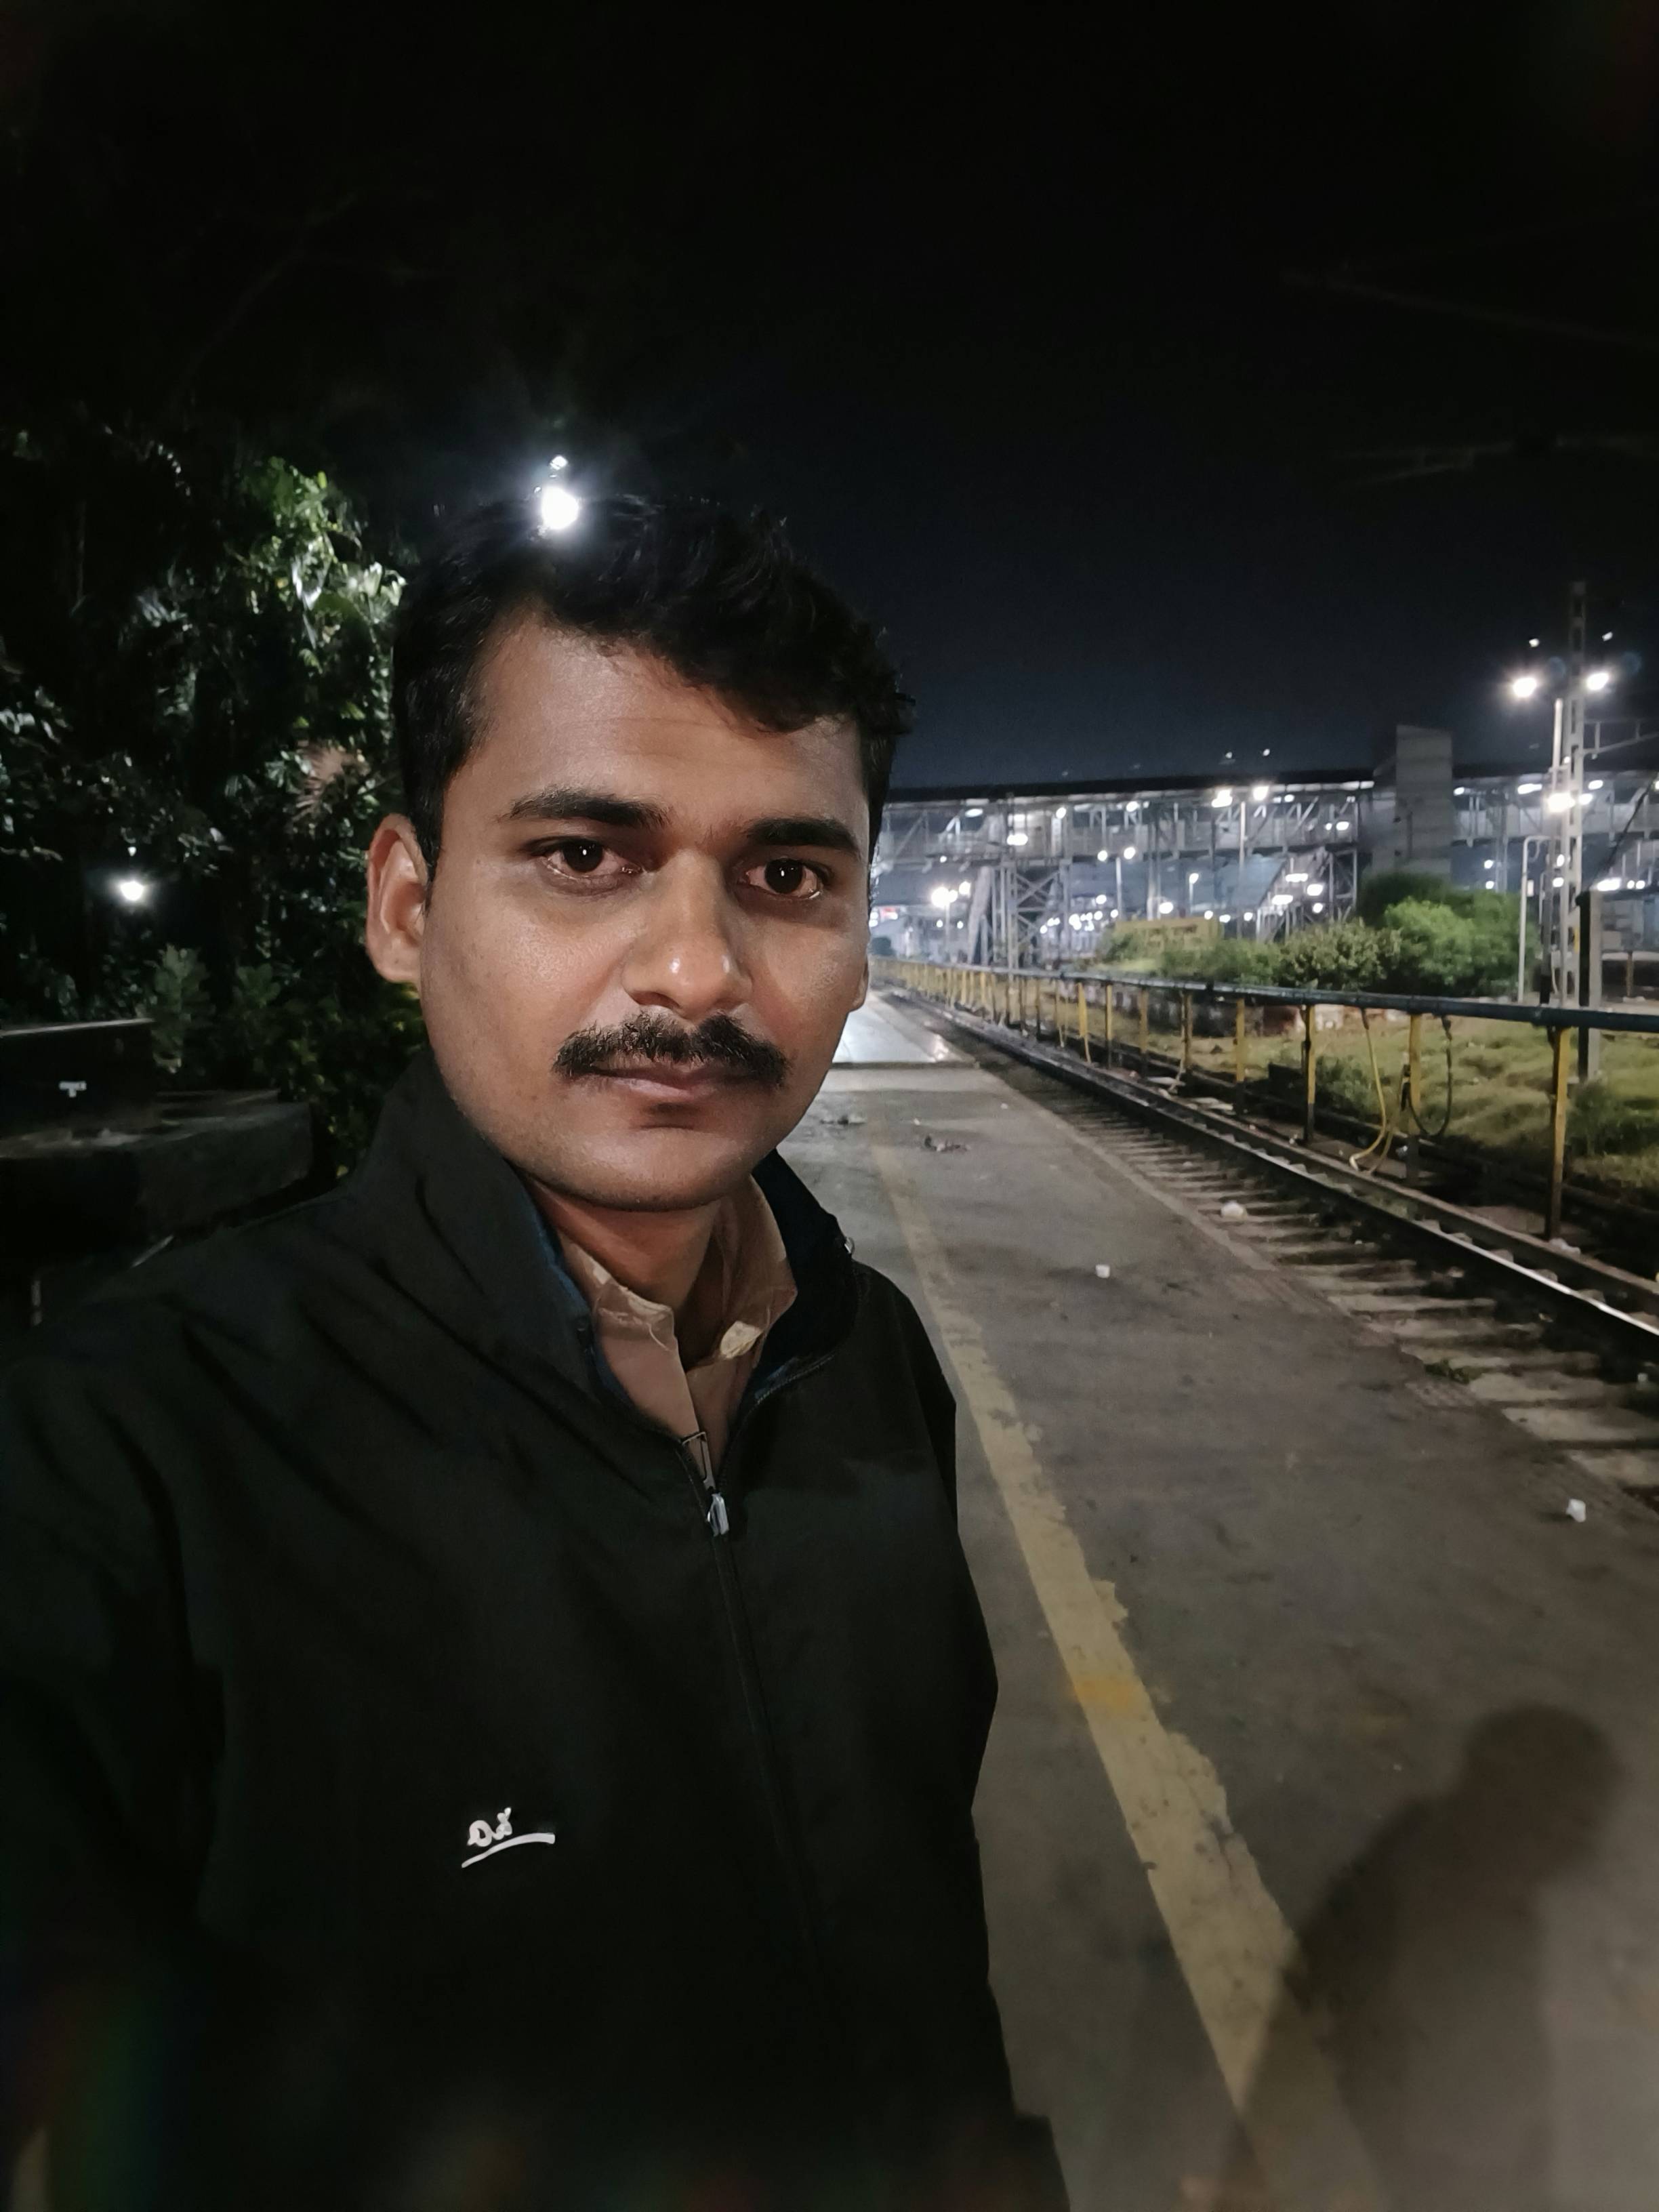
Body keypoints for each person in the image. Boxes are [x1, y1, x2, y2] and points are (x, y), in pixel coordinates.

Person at [0, 495, 1062, 2209]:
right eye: (585, 857)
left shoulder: (866, 1360)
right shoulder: (125, 1463)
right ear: (405, 906)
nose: (698, 972)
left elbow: (921, 1941)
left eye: (787, 875)